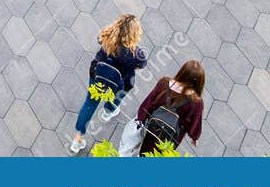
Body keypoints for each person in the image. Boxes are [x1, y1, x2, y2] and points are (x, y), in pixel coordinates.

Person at [69, 13, 148, 154]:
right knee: (117, 97)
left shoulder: (106, 36)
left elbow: (99, 40)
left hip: (98, 75)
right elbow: (141, 65)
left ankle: (77, 140)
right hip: (120, 82)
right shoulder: (136, 54)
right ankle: (108, 112)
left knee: (89, 103)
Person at [119, 61, 206, 156]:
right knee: (161, 153)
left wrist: (141, 118)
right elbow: (194, 124)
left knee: (146, 146)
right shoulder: (197, 102)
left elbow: (149, 102)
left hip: (153, 125)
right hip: (171, 136)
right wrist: (194, 137)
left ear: (182, 72)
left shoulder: (164, 83)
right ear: (199, 82)